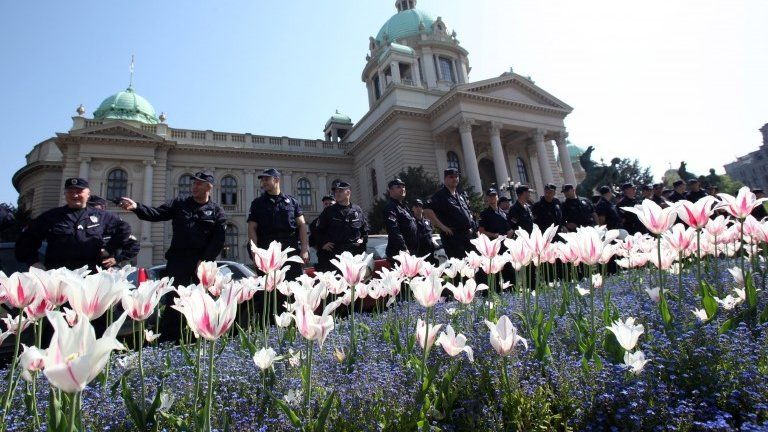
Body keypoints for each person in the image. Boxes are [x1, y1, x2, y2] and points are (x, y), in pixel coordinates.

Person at [119, 171, 226, 342]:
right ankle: (170, 340)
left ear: (209, 187)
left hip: (202, 263)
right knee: (174, 300)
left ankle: (200, 338)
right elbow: (157, 213)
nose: (194, 186)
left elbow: (218, 239)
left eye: (199, 183)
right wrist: (137, 208)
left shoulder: (216, 211)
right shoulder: (179, 203)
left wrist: (205, 261)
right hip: (179, 260)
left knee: (201, 301)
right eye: (194, 183)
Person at [16, 178, 132, 272]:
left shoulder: (102, 216)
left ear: (88, 194)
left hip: (92, 275)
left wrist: (109, 249)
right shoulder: (51, 217)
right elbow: (27, 239)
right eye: (70, 192)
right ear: (65, 194)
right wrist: (33, 262)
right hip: (59, 274)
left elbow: (124, 229)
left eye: (79, 191)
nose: (75, 195)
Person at [247, 168, 309, 278]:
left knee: (292, 287)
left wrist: (304, 249)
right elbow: (252, 228)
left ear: (276, 180)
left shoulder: (292, 202)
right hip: (267, 252)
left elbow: (302, 225)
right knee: (269, 289)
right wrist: (254, 251)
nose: (264, 182)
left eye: (267, 179)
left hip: (289, 251)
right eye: (262, 180)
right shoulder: (258, 203)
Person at [314, 180, 368, 271]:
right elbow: (318, 230)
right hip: (335, 256)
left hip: (354, 254)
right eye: (336, 191)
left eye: (340, 191)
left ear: (348, 192)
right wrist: (323, 243)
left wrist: (363, 239)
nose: (337, 193)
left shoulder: (357, 210)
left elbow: (365, 229)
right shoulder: (329, 211)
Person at [423, 168, 476, 259]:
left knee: (473, 266)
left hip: (467, 236)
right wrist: (442, 226)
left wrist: (471, 225)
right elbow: (427, 210)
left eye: (456, 176)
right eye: (451, 177)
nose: (454, 179)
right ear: (445, 179)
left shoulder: (460, 195)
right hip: (453, 238)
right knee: (460, 267)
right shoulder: (440, 195)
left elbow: (468, 211)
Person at [87, 195, 140, 266]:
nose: (92, 211)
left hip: (106, 271)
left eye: (95, 208)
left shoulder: (112, 225)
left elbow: (134, 246)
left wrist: (117, 259)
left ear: (103, 208)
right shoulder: (80, 225)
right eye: (89, 208)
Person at [384, 178, 418, 263]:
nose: (402, 189)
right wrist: (403, 248)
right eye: (399, 187)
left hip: (411, 251)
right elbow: (393, 230)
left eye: (403, 187)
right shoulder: (390, 207)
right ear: (391, 190)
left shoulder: (404, 207)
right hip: (400, 253)